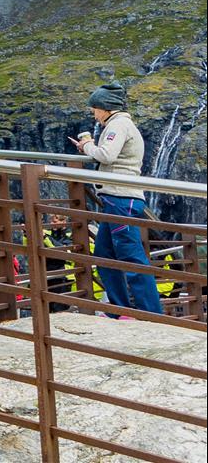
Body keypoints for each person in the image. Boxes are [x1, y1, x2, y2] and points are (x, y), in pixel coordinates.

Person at [73, 83, 163, 315]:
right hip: (117, 198)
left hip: (121, 198)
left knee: (131, 256)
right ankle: (118, 308)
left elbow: (107, 154)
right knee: (104, 254)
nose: (94, 113)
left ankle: (149, 313)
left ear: (105, 108)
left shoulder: (118, 125)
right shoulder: (121, 124)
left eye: (95, 108)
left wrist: (88, 145)